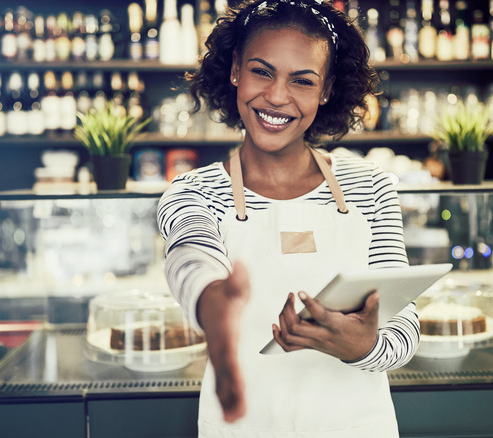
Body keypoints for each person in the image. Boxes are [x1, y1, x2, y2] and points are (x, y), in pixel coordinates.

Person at [157, 0, 419, 435]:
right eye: (262, 71)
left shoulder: (371, 187)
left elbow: (404, 329)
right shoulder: (194, 192)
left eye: (302, 80)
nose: (277, 96)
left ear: (327, 89)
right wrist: (212, 300)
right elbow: (190, 258)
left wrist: (363, 346)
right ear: (236, 70)